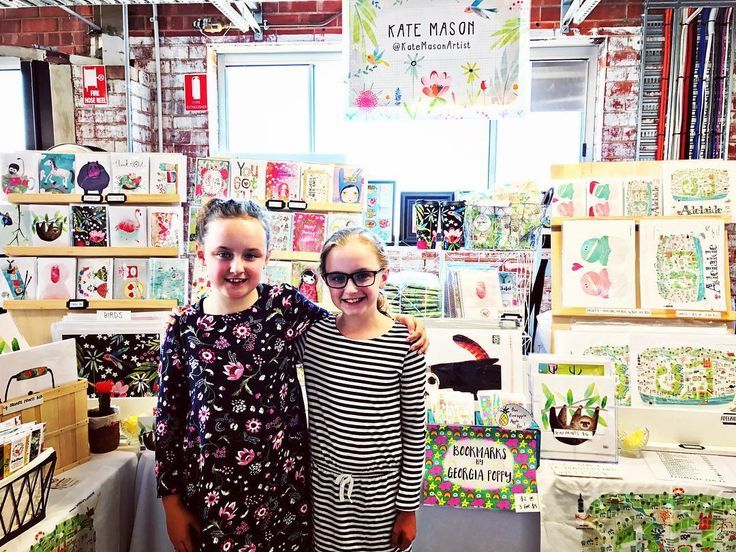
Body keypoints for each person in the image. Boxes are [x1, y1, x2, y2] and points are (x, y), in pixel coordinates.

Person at [155, 199, 426, 552]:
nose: (237, 266)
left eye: (250, 255)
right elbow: (167, 420)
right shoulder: (183, 328)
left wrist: (402, 321)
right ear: (201, 254)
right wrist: (171, 502)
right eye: (223, 253)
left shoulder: (283, 307)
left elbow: (349, 322)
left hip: (282, 493)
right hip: (212, 496)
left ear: (267, 256)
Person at [301, 227, 426, 552]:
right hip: (326, 498)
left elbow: (415, 432)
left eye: (362, 276)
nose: (350, 288)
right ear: (325, 279)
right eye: (337, 278)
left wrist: (407, 508)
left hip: (384, 502)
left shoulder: (405, 344)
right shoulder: (313, 338)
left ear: (383, 275)